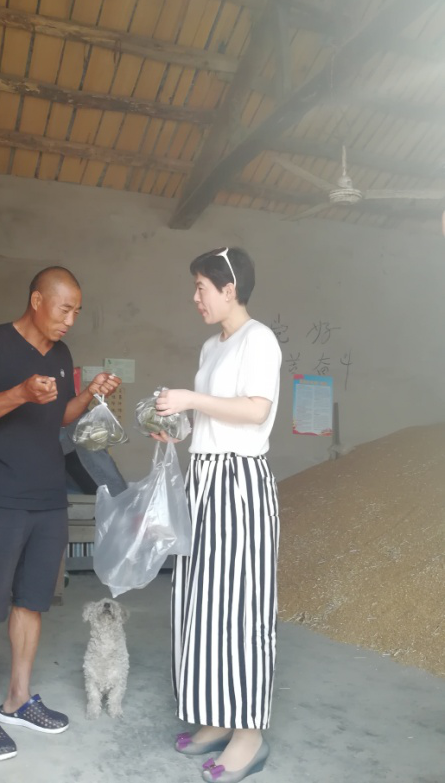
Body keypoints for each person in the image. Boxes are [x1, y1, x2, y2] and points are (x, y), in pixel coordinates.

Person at [0, 266, 120, 762]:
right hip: (1, 495)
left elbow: (59, 416)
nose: (70, 320)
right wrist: (20, 392)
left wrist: (89, 395)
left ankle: (18, 699)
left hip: (49, 497)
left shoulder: (62, 355)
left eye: (77, 312)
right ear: (37, 300)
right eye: (65, 309)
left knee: (31, 602)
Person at [153, 247, 281, 783]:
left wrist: (190, 399)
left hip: (239, 485)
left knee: (242, 608)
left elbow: (255, 410)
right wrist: (176, 425)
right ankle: (216, 716)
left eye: (202, 287)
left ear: (230, 289)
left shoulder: (260, 339)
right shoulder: (212, 346)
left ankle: (249, 734)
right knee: (202, 605)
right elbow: (210, 418)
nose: (196, 297)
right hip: (204, 480)